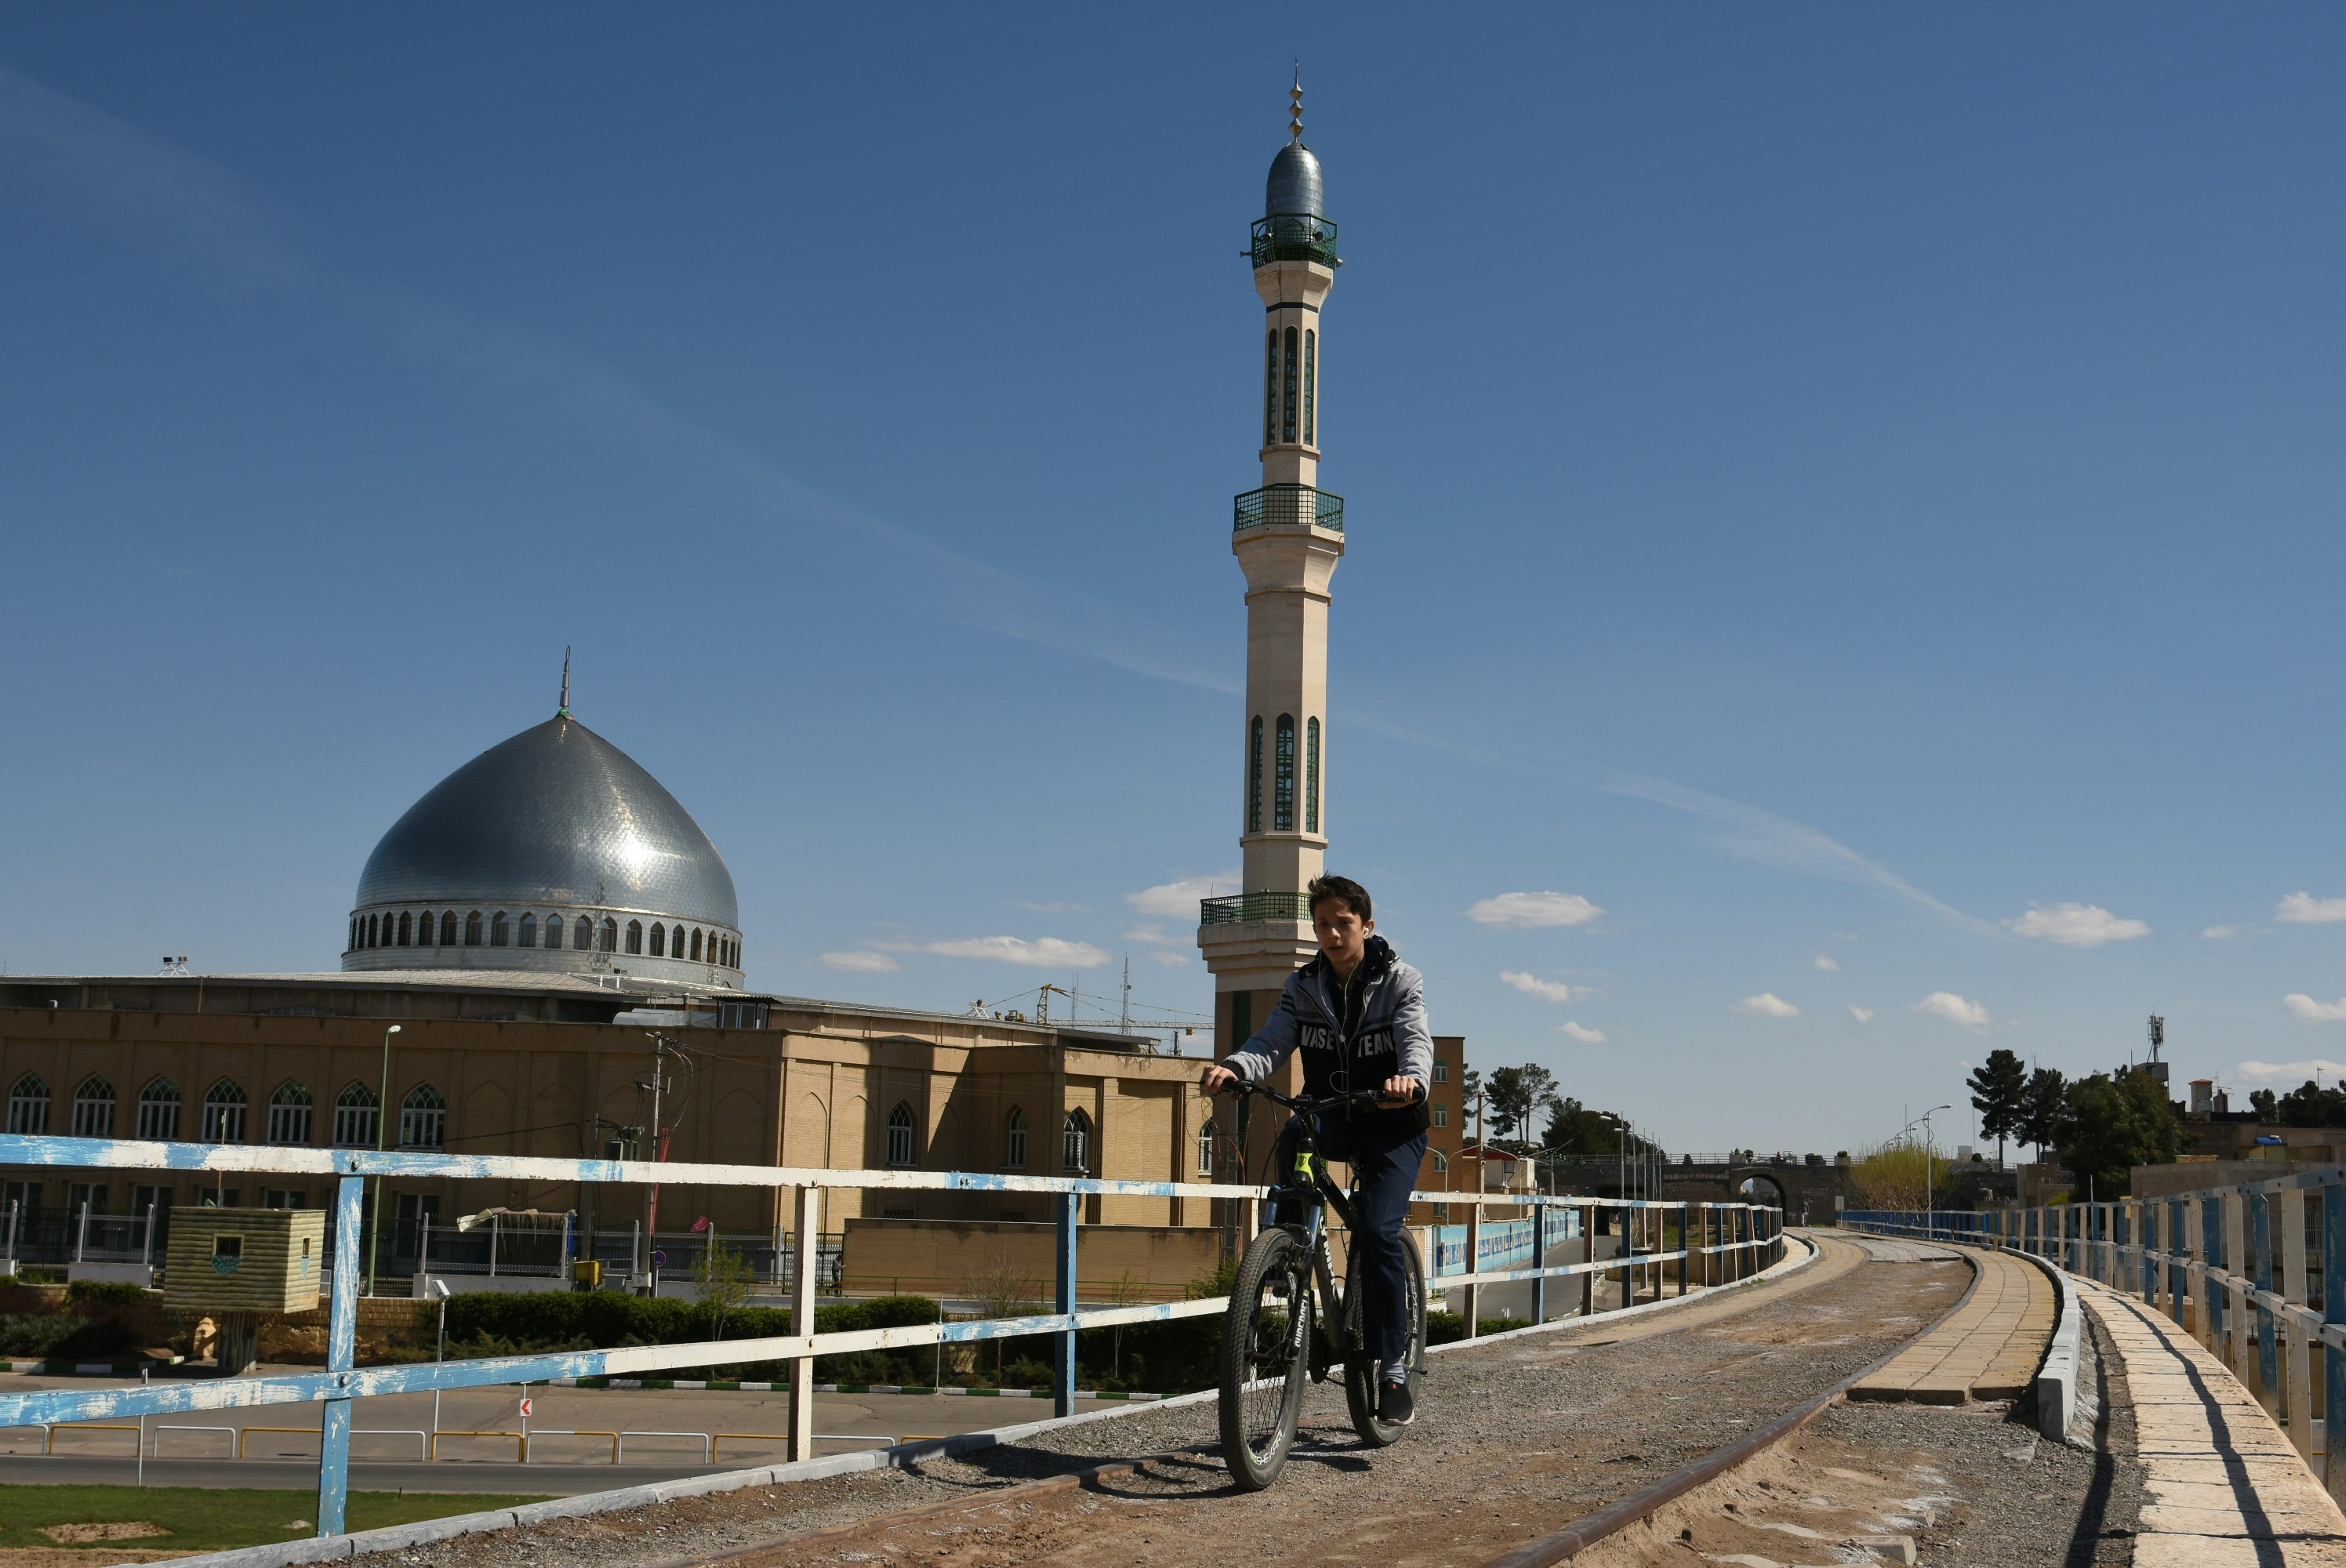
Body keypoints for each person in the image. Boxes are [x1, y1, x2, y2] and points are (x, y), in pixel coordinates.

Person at [1200, 873, 1431, 1425]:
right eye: (1322, 924)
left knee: (1376, 1232)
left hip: (1393, 1121)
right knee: (1293, 1134)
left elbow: (1416, 1040)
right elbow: (1272, 1041)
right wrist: (1235, 1066)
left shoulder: (1401, 980)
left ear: (1366, 926)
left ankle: (1393, 1367)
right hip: (1331, 1115)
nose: (1331, 933)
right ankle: (1286, 1250)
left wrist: (1412, 1082)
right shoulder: (1303, 985)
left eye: (1342, 923)